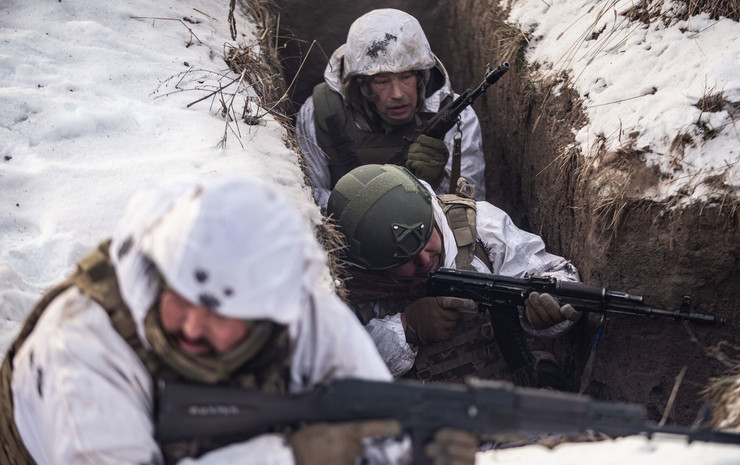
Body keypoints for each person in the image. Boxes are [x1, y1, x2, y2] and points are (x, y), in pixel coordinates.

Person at [0, 175, 476, 465]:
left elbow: (373, 412)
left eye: (218, 315)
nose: (190, 325)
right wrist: (293, 457)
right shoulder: (81, 354)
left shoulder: (289, 303)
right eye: (180, 299)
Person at [327, 164, 582, 388]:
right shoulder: (336, 279)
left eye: (426, 240)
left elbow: (550, 272)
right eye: (404, 261)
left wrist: (547, 308)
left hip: (510, 408)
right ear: (371, 265)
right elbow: (334, 373)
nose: (424, 260)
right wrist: (406, 328)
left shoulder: (479, 227)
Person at [295, 8, 487, 212]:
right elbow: (309, 201)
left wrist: (436, 183)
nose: (397, 94)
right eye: (381, 81)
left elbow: (472, 209)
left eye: (406, 78)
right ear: (361, 85)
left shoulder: (456, 115)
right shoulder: (321, 113)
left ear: (421, 77)